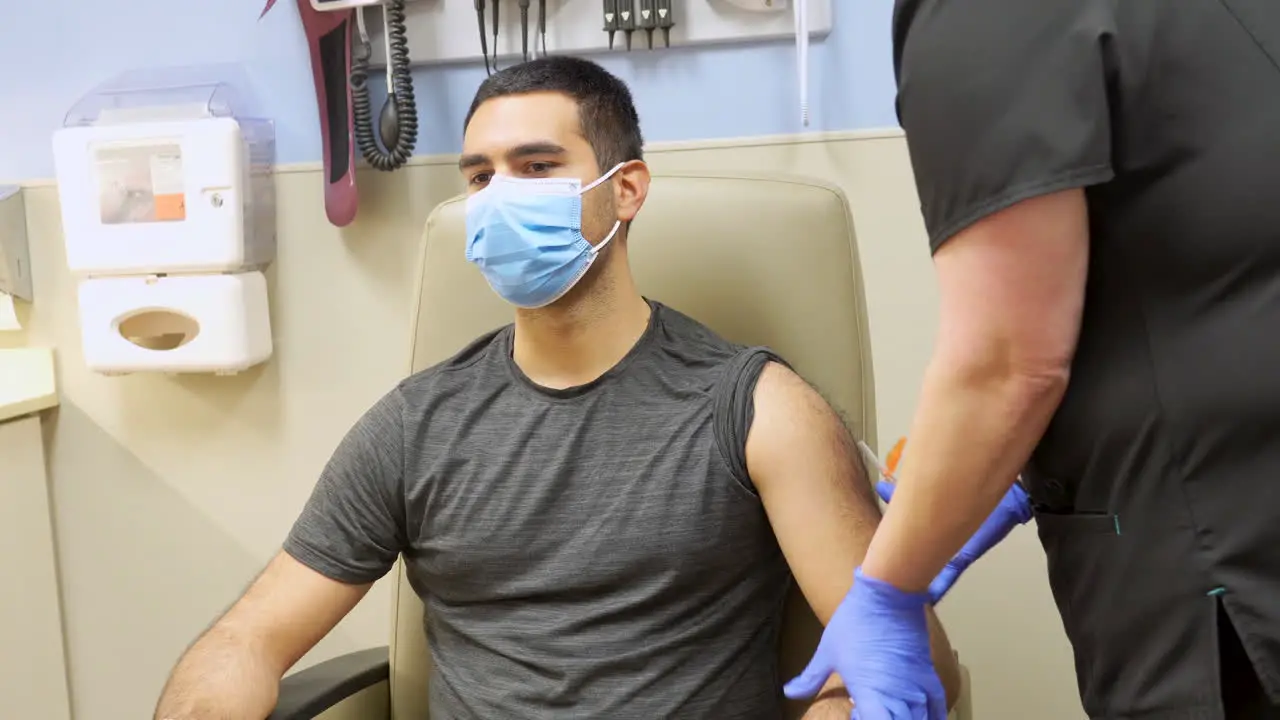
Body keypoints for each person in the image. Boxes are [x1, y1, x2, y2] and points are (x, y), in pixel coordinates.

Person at [153, 56, 963, 720]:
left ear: (626, 189)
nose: (501, 196)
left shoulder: (757, 409)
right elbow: (247, 641)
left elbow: (897, 661)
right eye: (479, 178)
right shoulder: (415, 426)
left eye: (537, 166)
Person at [788, 0, 1280, 718]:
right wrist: (1020, 467)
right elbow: (1200, 239)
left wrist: (888, 590)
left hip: (1224, 557)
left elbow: (1008, 365)